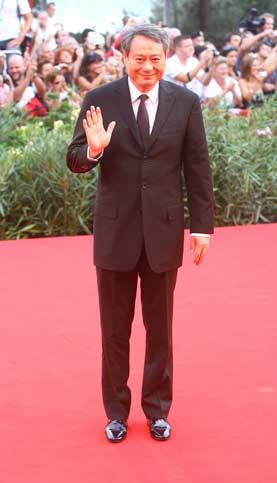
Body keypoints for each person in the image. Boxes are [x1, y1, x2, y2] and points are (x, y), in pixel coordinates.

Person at [66, 23, 214, 443]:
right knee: (114, 331)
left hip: (164, 233)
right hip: (115, 234)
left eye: (156, 58)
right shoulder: (100, 100)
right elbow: (74, 158)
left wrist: (202, 227)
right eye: (140, 58)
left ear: (165, 58)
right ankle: (116, 412)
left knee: (160, 329)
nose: (148, 65)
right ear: (124, 58)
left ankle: (157, 411)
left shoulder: (185, 102)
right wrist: (93, 150)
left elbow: (197, 168)